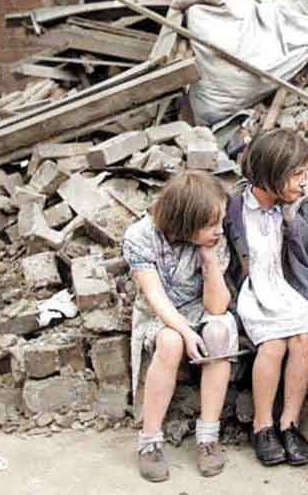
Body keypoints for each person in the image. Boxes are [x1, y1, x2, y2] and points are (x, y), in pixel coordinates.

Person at [224, 129, 308, 467]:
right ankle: (263, 426)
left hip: (290, 286)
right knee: (272, 344)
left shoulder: (304, 208)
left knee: (303, 337)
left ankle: (290, 423)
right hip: (254, 289)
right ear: (272, 173)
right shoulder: (234, 207)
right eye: (296, 174)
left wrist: (293, 222)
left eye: (306, 174)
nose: (304, 182)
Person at [123, 171, 239, 482]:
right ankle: (149, 441)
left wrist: (211, 261)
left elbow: (216, 306)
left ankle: (208, 436)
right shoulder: (140, 236)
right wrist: (186, 332)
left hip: (198, 307)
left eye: (220, 223)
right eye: (209, 225)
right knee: (172, 342)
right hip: (157, 313)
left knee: (220, 330)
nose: (218, 231)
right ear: (185, 221)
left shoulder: (214, 241)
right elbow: (154, 296)